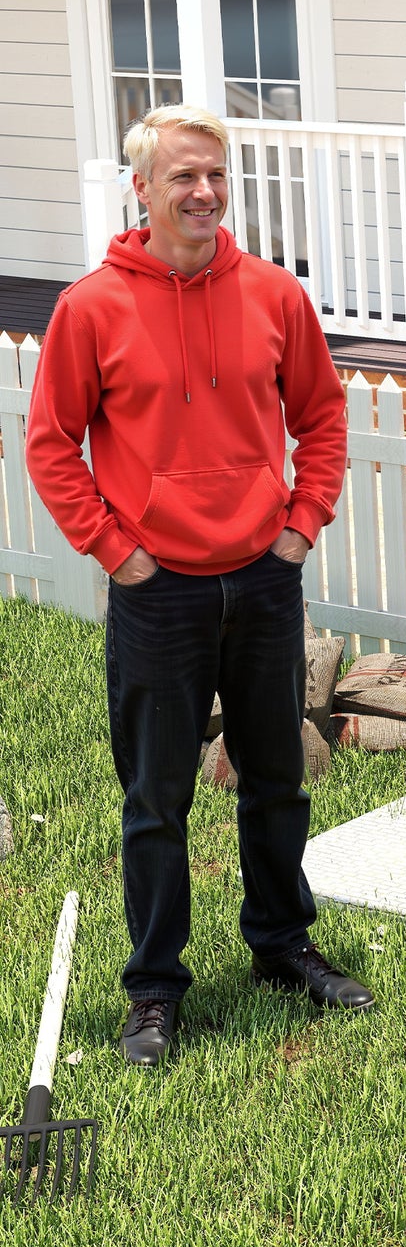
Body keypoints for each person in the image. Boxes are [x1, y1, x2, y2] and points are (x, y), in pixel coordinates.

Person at [26, 104, 374, 1066]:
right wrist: (116, 550)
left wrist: (301, 525)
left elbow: (322, 416)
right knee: (156, 800)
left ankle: (283, 945)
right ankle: (154, 988)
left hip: (263, 580)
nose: (205, 192)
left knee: (277, 780)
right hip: (158, 591)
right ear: (142, 188)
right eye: (184, 176)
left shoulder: (272, 294)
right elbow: (51, 444)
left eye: (217, 174)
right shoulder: (92, 307)